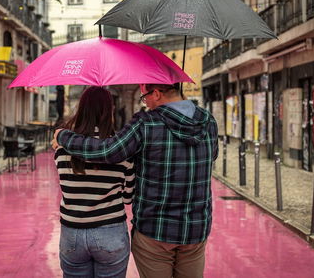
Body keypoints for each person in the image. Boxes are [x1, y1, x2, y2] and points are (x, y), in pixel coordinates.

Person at [52, 83, 218, 278]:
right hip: (195, 229)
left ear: (156, 93)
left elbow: (107, 151)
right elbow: (211, 157)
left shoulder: (146, 123)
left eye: (144, 96)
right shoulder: (208, 122)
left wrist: (63, 136)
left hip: (155, 229)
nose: (145, 102)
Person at [54, 86, 135, 278]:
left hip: (72, 232)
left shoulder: (62, 148)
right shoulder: (121, 151)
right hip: (110, 232)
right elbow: (128, 197)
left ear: (82, 109)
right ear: (110, 111)